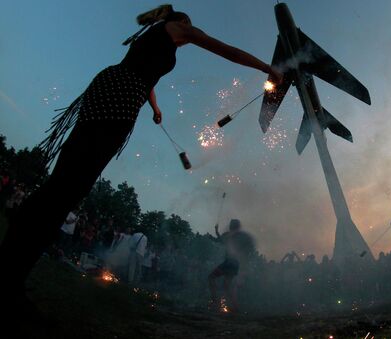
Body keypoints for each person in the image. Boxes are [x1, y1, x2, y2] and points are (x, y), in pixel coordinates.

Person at [0, 4, 283, 308]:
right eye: (190, 28)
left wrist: (156, 108)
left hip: (112, 90)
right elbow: (226, 50)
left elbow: (145, 77)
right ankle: (9, 277)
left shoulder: (150, 38)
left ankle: (11, 270)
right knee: (67, 187)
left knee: (66, 182)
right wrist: (267, 68)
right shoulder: (179, 28)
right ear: (182, 22)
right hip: (119, 98)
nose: (192, 34)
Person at [208, 219, 255, 313]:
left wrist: (215, 233)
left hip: (229, 263)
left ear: (231, 226)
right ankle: (235, 308)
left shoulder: (229, 235)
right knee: (226, 286)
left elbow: (220, 240)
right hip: (235, 264)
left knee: (211, 277)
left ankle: (215, 301)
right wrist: (216, 232)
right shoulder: (240, 237)